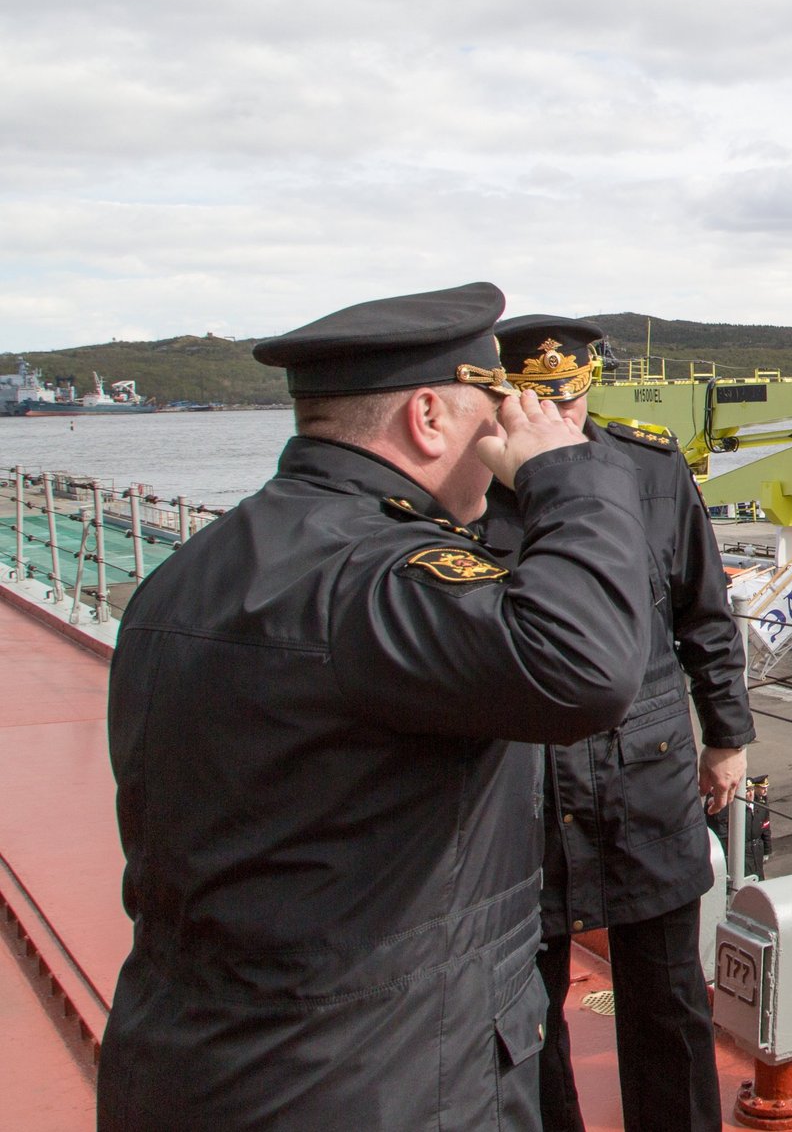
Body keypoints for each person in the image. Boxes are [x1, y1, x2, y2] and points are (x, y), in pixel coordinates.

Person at [99, 282, 654, 1129]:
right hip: (377, 1077)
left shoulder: (195, 568)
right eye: (492, 412)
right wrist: (568, 473)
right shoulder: (381, 576)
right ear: (428, 417)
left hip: (196, 1058)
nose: (502, 437)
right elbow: (586, 669)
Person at [477, 315, 754, 1132]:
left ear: (588, 387)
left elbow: (704, 611)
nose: (556, 417)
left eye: (566, 399)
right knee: (524, 1016)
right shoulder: (469, 484)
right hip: (521, 784)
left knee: (668, 999)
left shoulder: (651, 468)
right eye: (537, 400)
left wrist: (728, 736)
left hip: (646, 772)